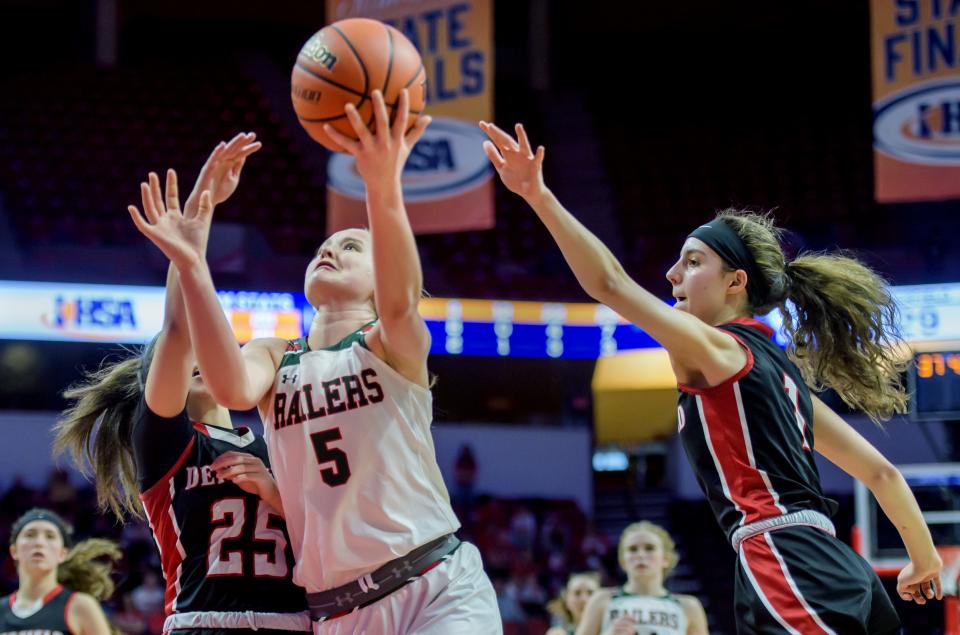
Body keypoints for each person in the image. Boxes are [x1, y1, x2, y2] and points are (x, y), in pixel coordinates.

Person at [479, 120, 943, 634]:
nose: (672, 275)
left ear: (735, 283)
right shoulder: (781, 373)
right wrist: (924, 561)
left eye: (693, 262)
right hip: (840, 567)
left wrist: (537, 195)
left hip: (783, 557)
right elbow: (883, 474)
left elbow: (609, 284)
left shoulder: (721, 349)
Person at [128, 90, 502, 634]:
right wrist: (191, 259)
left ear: (382, 282)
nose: (331, 249)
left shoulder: (391, 346)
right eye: (326, 245)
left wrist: (380, 184)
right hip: (339, 609)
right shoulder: (277, 355)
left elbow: (401, 300)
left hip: (435, 584)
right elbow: (232, 388)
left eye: (352, 247)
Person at [55, 135, 311, 634]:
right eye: (182, 356)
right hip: (203, 622)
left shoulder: (275, 438)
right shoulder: (165, 442)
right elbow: (177, 328)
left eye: (208, 348)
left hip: (295, 623)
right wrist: (200, 219)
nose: (196, 354)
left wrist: (278, 494)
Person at [0, 508, 117, 635]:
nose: (39, 543)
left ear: (63, 553)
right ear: (14, 551)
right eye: (30, 535)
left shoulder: (81, 606)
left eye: (50, 536)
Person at [575, 523, 707, 635]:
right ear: (622, 561)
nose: (640, 555)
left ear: (666, 559)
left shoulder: (689, 606)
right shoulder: (602, 599)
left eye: (649, 548)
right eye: (632, 549)